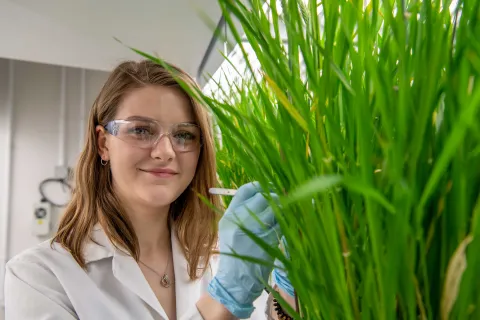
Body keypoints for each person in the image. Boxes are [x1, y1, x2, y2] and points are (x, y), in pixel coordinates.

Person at [4, 59, 294, 320]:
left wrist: (290, 287)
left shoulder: (222, 260)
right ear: (103, 143)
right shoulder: (39, 275)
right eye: (141, 130)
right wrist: (224, 303)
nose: (165, 151)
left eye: (183, 135)